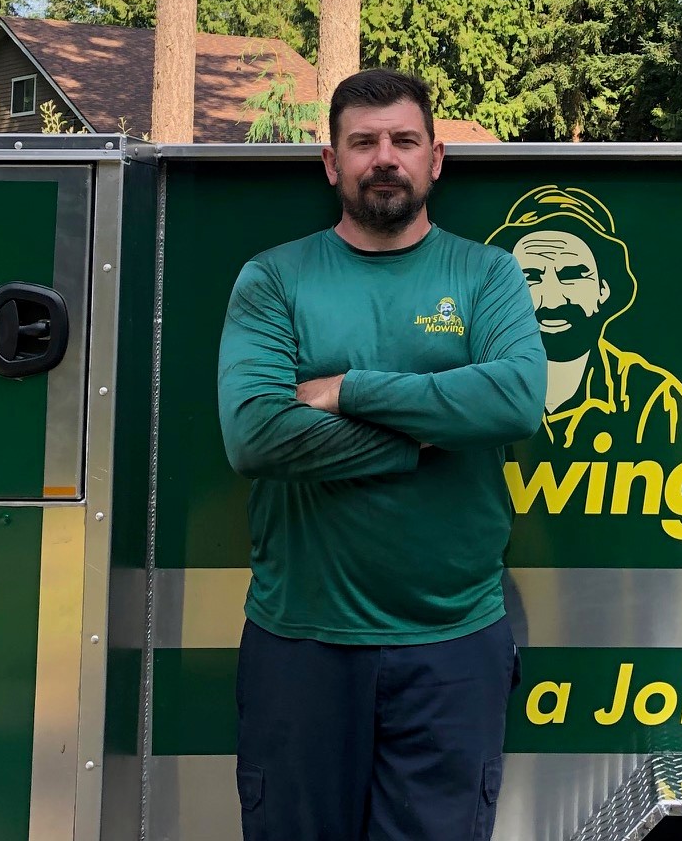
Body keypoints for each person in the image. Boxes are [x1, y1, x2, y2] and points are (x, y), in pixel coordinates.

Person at [216, 69, 545, 841]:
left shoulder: (485, 274)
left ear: (437, 157)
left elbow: (513, 402)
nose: (383, 158)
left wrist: (347, 390)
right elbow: (255, 434)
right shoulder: (273, 279)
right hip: (302, 640)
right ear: (331, 163)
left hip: (453, 643)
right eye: (362, 143)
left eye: (402, 140)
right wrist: (427, 435)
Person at [486, 185, 682, 452]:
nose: (552, 300)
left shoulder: (652, 396)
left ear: (604, 289)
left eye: (572, 275)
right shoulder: (478, 391)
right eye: (530, 276)